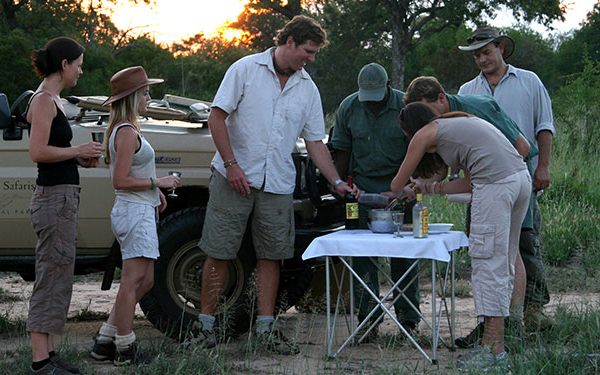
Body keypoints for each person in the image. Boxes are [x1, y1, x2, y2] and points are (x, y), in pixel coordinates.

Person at [180, 15, 354, 355]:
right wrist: (231, 165)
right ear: (289, 42)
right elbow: (217, 117)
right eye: (308, 51)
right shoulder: (244, 69)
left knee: (272, 256)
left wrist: (335, 181)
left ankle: (265, 331)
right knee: (218, 251)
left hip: (276, 182)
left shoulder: (307, 88)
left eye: (315, 52)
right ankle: (204, 329)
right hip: (233, 178)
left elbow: (315, 142)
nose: (312, 59)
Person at [391, 103, 531, 369]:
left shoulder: (424, 134)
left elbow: (396, 185)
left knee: (487, 264)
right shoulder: (459, 125)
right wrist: (429, 187)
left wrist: (406, 189)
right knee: (502, 262)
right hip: (519, 180)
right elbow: (468, 183)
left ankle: (493, 352)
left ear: (408, 130)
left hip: (497, 186)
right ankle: (496, 344)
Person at [458, 27, 555, 333]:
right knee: (485, 247)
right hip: (482, 183)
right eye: (476, 55)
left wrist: (543, 167)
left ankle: (534, 310)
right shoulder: (467, 91)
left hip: (521, 175)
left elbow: (544, 126)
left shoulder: (529, 81)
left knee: (524, 242)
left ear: (501, 48)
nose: (482, 59)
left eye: (486, 52)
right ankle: (491, 321)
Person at [89, 66, 180, 366]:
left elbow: (133, 175)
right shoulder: (126, 132)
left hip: (139, 208)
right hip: (133, 211)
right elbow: (120, 180)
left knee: (147, 280)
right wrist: (159, 183)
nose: (148, 97)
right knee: (132, 281)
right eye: (145, 93)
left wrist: (155, 193)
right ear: (133, 97)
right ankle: (125, 349)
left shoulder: (127, 128)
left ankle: (105, 340)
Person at [26, 37, 102, 375]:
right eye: (79, 64)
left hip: (62, 196)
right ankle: (40, 361)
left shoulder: (53, 99)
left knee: (59, 276)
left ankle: (50, 354)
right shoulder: (43, 100)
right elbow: (38, 152)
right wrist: (77, 152)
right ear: (64, 65)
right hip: (53, 199)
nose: (81, 71)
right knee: (50, 275)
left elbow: (54, 151)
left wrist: (80, 160)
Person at [329, 63, 420, 340]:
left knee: (404, 256)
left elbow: (419, 151)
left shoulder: (406, 106)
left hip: (399, 188)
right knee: (362, 255)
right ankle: (368, 319)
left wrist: (410, 186)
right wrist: (340, 185)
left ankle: (408, 319)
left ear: (389, 86)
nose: (371, 102)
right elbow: (342, 149)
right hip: (363, 189)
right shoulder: (349, 107)